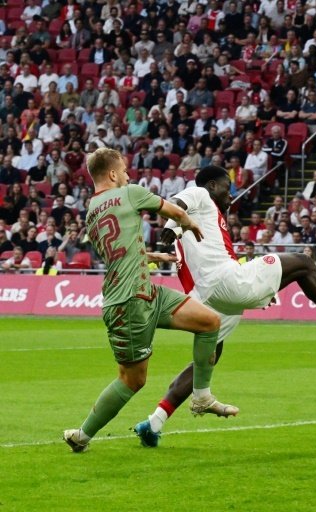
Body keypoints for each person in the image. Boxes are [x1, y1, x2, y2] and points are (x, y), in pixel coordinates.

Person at [133, 166, 316, 447]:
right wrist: (169, 230)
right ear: (211, 185)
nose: (231, 195)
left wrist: (173, 232)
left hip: (206, 297)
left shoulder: (204, 218)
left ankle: (154, 422)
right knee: (306, 264)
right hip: (225, 281)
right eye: (226, 187)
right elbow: (176, 206)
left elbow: (181, 220)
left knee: (209, 356)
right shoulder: (199, 193)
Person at [63, 148, 232, 453]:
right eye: (124, 170)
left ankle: (202, 396)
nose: (128, 175)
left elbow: (117, 252)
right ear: (113, 174)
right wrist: (191, 225)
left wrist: (150, 255)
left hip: (147, 291)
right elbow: (175, 212)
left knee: (210, 322)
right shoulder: (129, 192)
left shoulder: (91, 212)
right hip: (128, 302)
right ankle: (82, 436)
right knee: (132, 380)